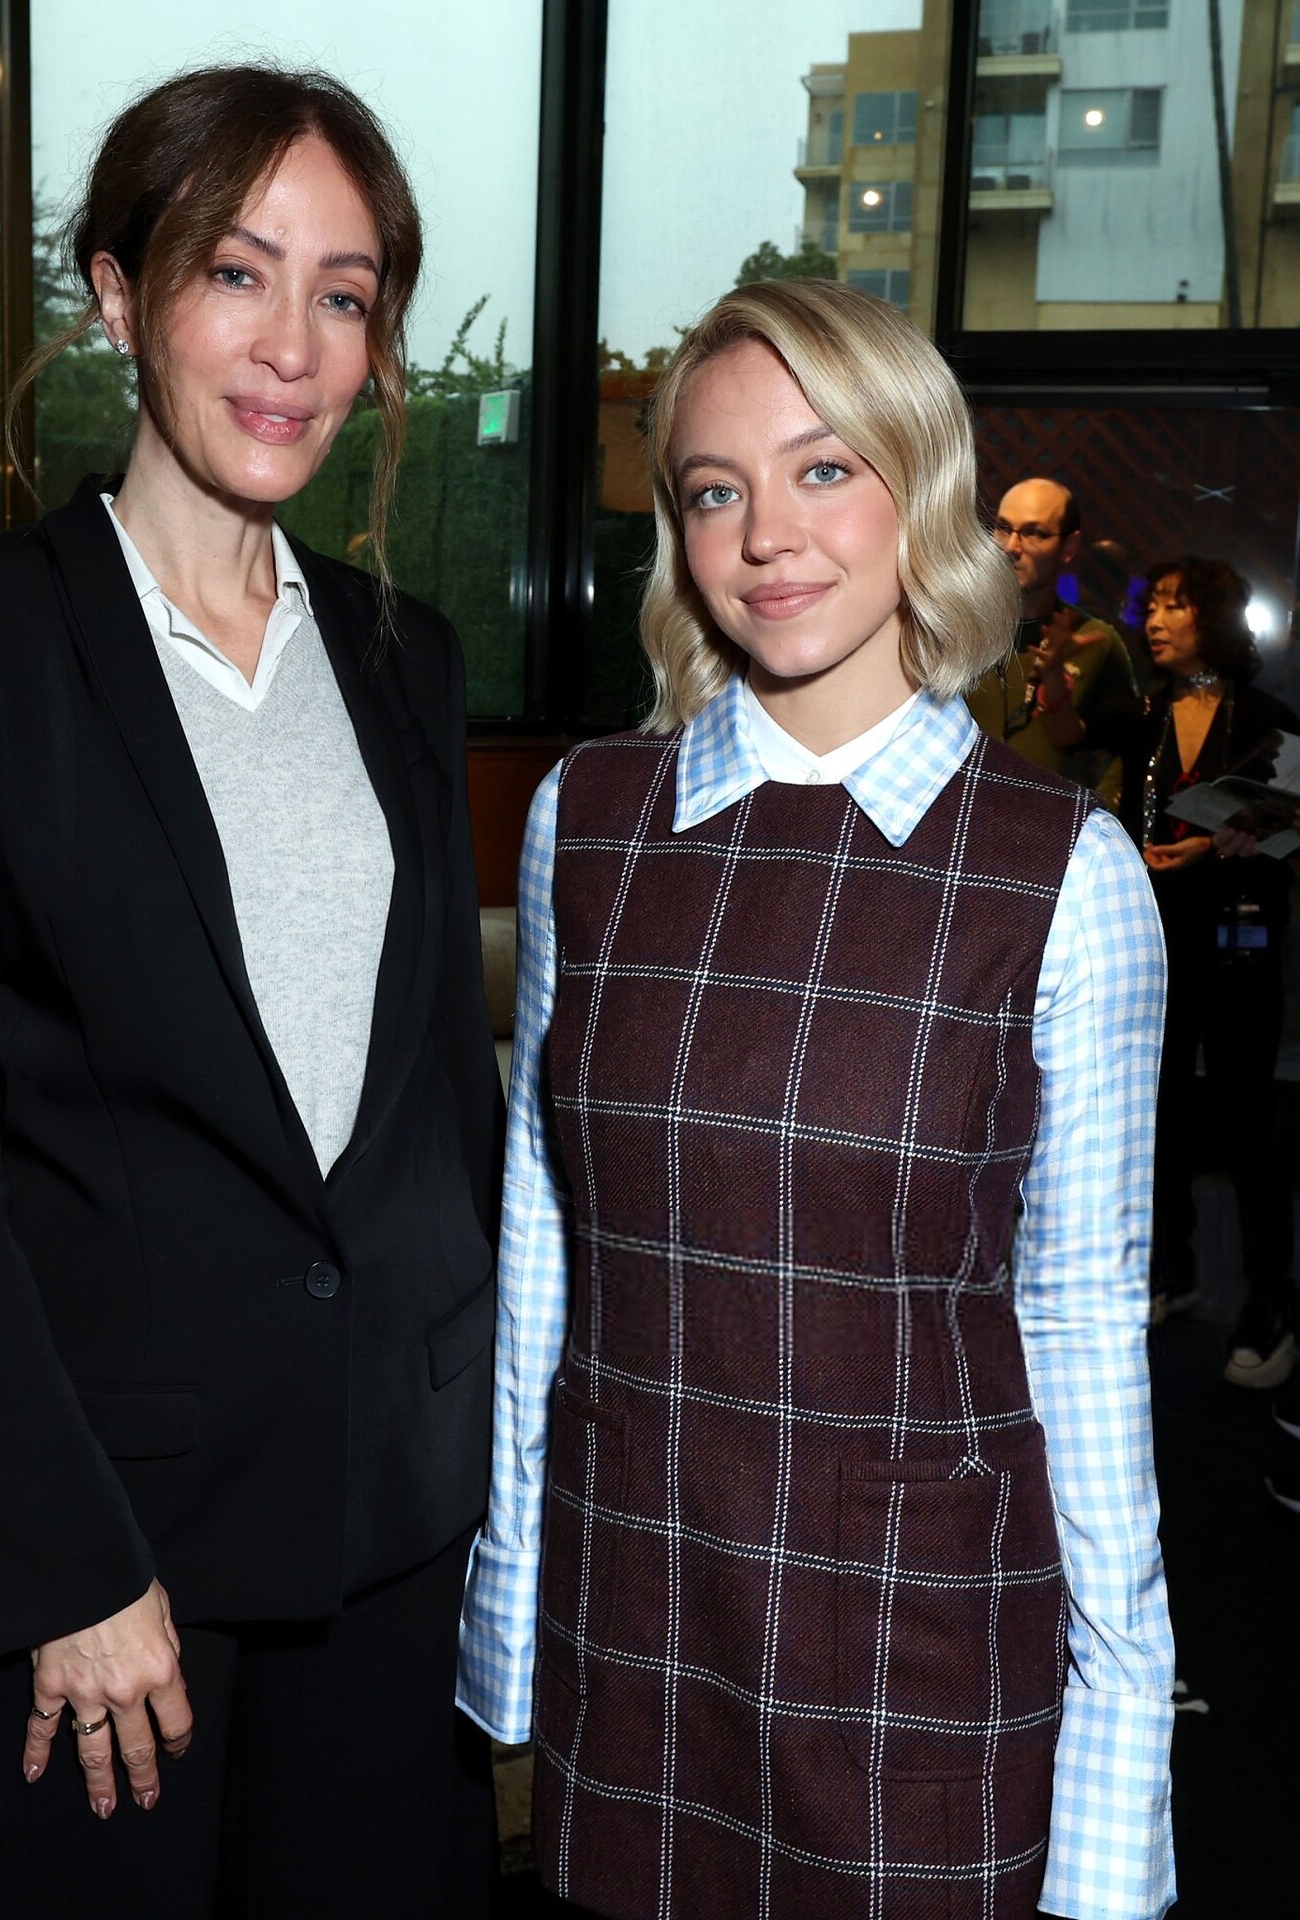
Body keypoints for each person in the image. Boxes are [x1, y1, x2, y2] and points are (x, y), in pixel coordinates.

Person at [0, 64, 502, 1920]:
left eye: (345, 294)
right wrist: (59, 1559)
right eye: (236, 272)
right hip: (109, 1565)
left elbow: (440, 1108)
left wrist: (494, 1475)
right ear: (119, 299)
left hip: (395, 1530)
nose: (293, 346)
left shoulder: (406, 659)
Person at [457, 281, 1174, 1920]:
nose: (766, 535)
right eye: (714, 489)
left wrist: (1120, 1761)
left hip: (917, 1641)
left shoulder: (1062, 876)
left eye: (823, 469)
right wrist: (513, 1593)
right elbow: (545, 1245)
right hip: (635, 1608)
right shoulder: (590, 819)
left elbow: (1081, 1327)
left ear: (921, 485)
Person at [1119, 557, 1297, 1386]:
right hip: (1156, 938)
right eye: (1151, 605)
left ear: (1214, 618)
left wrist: (1225, 846)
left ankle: (1270, 1305)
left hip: (1240, 939)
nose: (1155, 620)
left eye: (1174, 606)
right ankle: (1171, 1270)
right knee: (1155, 1116)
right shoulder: (1145, 713)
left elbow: (1289, 830)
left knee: (1247, 1122)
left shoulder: (1269, 719)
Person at [967, 476, 1141, 804]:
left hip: (1050, 824)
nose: (1011, 547)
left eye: (1034, 533)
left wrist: (1097, 817)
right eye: (1003, 528)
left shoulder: (1095, 641)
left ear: (1069, 548)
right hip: (954, 820)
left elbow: (1127, 745)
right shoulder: (957, 628)